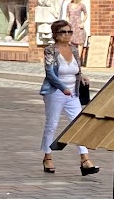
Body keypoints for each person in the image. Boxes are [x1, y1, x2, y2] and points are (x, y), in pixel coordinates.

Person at [40, 21, 98, 177]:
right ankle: (47, 157)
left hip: (73, 93)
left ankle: (85, 159)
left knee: (78, 124)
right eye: (63, 32)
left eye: (69, 32)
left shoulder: (74, 49)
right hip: (55, 92)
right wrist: (62, 87)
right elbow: (50, 73)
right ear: (56, 34)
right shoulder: (50, 50)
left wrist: (82, 76)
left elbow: (76, 69)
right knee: (52, 124)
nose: (67, 35)